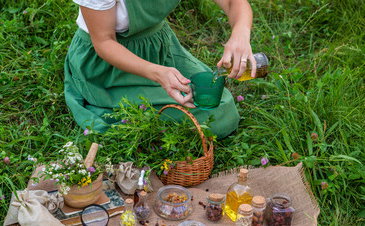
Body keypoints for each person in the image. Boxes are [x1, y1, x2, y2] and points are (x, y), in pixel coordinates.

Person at [64, 0, 257, 139]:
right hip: (109, 63)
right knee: (206, 120)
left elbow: (233, 3)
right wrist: (158, 73)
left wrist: (240, 34)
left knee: (221, 107)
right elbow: (104, 42)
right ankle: (103, 101)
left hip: (157, 46)